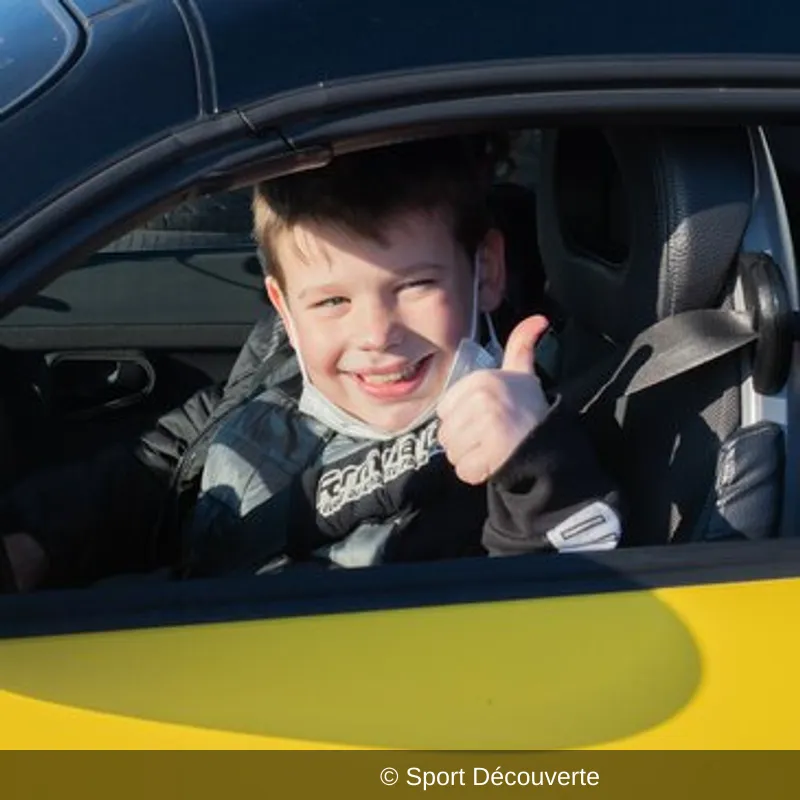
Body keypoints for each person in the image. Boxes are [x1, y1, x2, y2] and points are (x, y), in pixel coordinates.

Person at [0, 135, 621, 592]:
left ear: (485, 272)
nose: (375, 335)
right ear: (284, 308)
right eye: (332, 300)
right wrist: (33, 542)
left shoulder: (519, 426)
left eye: (414, 286)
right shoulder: (280, 365)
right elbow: (162, 468)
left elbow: (555, 616)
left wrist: (532, 469)